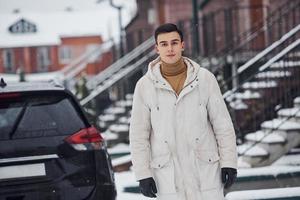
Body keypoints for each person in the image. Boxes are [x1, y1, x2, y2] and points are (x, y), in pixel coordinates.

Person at [129, 23, 237, 200]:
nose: (170, 48)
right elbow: (138, 134)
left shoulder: (205, 79)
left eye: (174, 42)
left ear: (182, 45)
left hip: (205, 172)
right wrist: (143, 174)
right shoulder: (144, 86)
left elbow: (222, 124)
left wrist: (229, 163)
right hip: (168, 176)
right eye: (164, 44)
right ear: (156, 48)